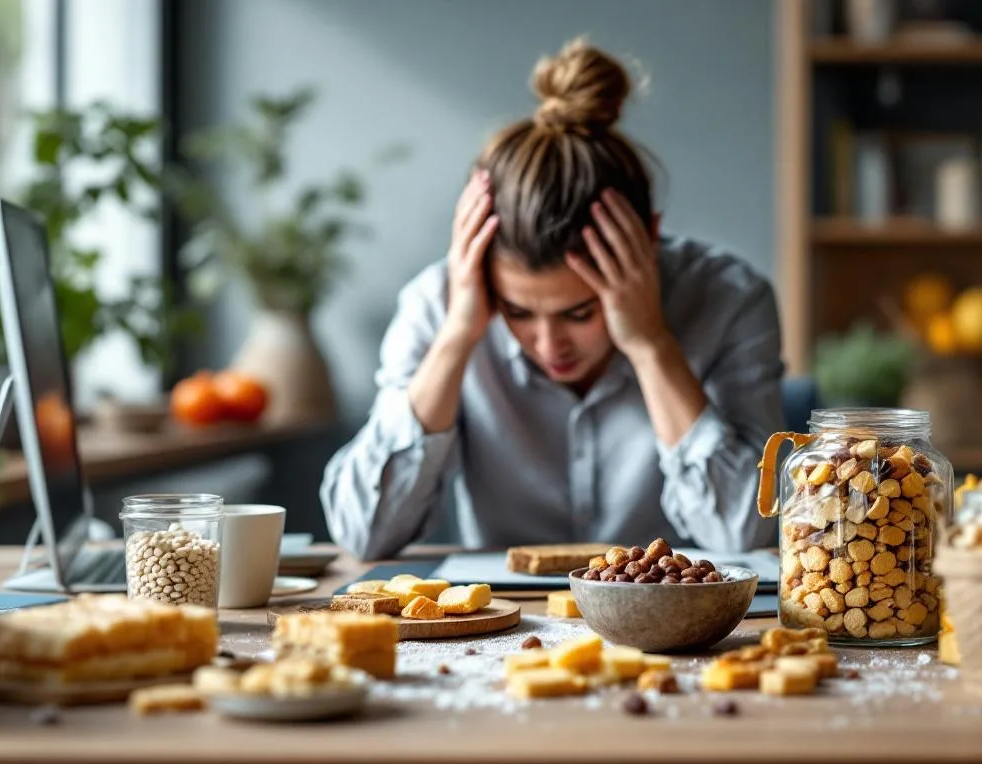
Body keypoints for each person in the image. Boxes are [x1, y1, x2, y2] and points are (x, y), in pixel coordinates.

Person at [321, 38, 785, 561]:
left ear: (648, 239)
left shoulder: (731, 300)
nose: (549, 345)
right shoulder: (437, 303)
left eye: (580, 312)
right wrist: (455, 339)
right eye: (518, 312)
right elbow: (363, 532)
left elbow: (745, 533)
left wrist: (651, 343)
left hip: (675, 628)